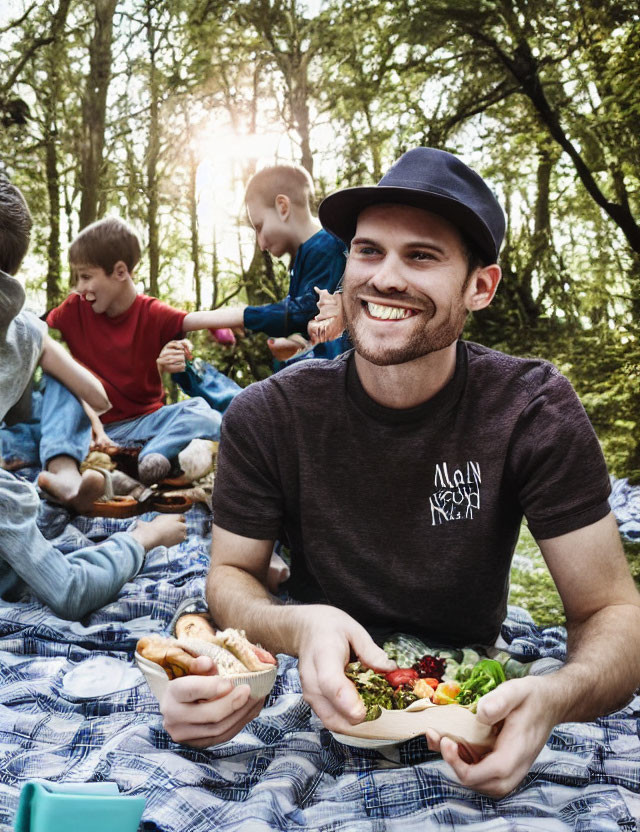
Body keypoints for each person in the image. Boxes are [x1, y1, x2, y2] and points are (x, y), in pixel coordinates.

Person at [159, 147, 640, 794]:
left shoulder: (532, 409)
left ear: (480, 286)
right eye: (368, 251)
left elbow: (612, 609)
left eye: (421, 256)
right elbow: (231, 575)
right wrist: (300, 625)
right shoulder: (267, 415)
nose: (385, 278)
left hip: (465, 698)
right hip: (316, 706)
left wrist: (556, 695)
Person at [0, 176, 187, 619]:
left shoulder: (146, 313)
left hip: (124, 423)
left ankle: (76, 472)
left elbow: (98, 395)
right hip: (60, 434)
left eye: (88, 278)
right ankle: (65, 473)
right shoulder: (36, 331)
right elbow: (69, 590)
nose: (84, 288)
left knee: (196, 412)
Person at [41, 216, 235, 504]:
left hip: (149, 425)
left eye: (85, 276)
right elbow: (35, 330)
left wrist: (275, 317)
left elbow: (199, 319)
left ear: (119, 271)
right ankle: (81, 471)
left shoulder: (152, 313)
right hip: (101, 428)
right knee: (52, 374)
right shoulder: (75, 309)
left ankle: (152, 457)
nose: (79, 287)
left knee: (203, 411)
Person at [159, 164, 348, 374]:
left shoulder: (328, 248)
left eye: (259, 227)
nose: (261, 245)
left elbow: (302, 312)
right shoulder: (307, 255)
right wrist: (295, 343)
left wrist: (220, 317)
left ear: (282, 207)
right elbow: (311, 322)